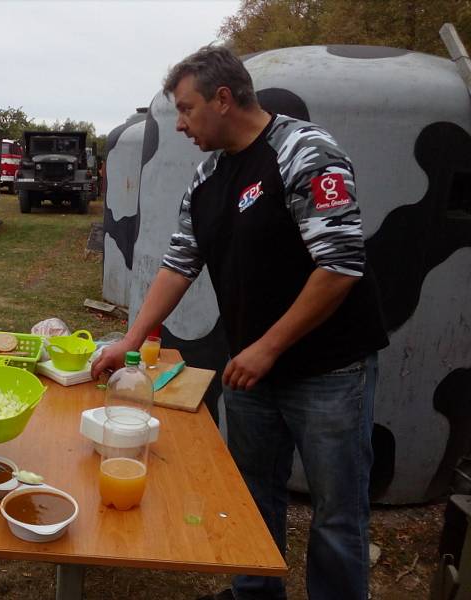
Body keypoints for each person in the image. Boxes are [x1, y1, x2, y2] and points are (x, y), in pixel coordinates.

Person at [91, 45, 388, 600]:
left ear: (223, 99)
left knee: (338, 511)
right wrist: (129, 341)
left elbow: (341, 264)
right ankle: (255, 593)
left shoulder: (305, 151)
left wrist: (267, 348)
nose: (179, 124)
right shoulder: (208, 176)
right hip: (252, 372)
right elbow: (180, 263)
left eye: (186, 109)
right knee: (254, 494)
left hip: (328, 373)